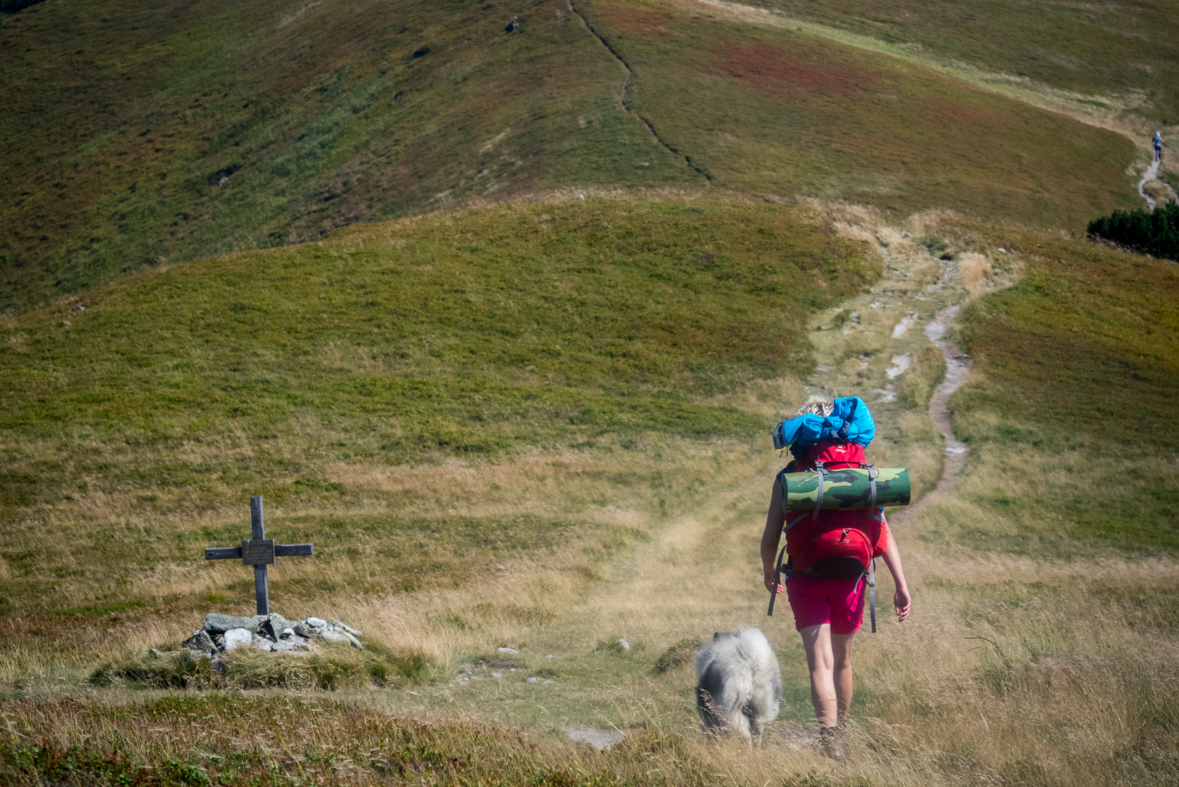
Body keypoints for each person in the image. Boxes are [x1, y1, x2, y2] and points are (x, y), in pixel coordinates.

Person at [760, 395, 911, 759]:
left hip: (806, 575)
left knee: (820, 661)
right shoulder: (860, 476)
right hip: (854, 575)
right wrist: (901, 585)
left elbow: (769, 538)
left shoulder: (791, 474)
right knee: (842, 660)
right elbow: (882, 532)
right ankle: (839, 736)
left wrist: (769, 570)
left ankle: (828, 742)